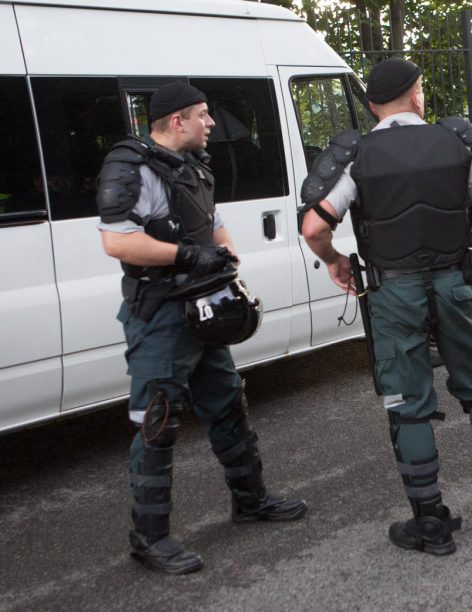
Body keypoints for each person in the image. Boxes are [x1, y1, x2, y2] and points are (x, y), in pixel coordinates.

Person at [300, 58, 472, 556]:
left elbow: (314, 228)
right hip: (454, 284)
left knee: (408, 407)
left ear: (373, 105)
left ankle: (431, 527)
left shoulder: (358, 155)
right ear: (417, 95)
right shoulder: (455, 143)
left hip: (392, 292)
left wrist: (336, 261)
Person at [96, 82, 307, 575]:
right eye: (204, 115)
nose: (212, 123)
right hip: (161, 317)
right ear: (177, 121)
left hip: (203, 309)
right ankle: (149, 539)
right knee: (157, 421)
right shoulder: (132, 168)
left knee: (228, 402)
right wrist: (189, 255)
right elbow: (117, 243)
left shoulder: (190, 165)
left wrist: (227, 257)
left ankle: (250, 500)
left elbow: (211, 221)